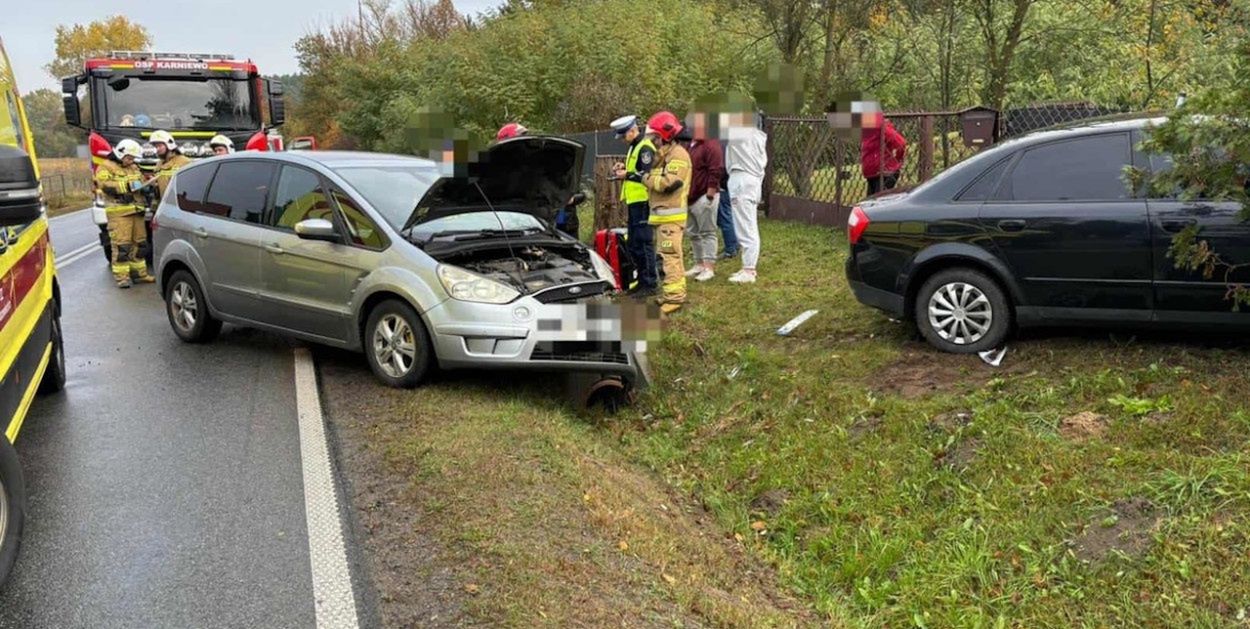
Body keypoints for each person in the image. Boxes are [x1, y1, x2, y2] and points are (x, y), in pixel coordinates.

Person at [640, 111, 692, 314]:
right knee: (666, 256)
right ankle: (670, 293)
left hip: (672, 217)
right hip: (664, 217)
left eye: (654, 137)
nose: (652, 141)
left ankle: (675, 298)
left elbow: (670, 183)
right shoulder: (667, 154)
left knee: (671, 257)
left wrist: (646, 178)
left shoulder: (678, 155)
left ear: (664, 135)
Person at [496, 121, 584, 238]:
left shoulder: (541, 165)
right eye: (521, 138)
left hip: (562, 218)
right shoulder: (502, 173)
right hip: (525, 225)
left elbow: (582, 193)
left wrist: (571, 199)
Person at [95, 139, 155, 288]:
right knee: (122, 246)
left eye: (133, 158)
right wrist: (127, 187)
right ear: (121, 153)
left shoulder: (134, 167)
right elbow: (105, 185)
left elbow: (139, 181)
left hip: (137, 211)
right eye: (129, 158)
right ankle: (122, 278)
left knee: (140, 245)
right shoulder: (105, 167)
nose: (131, 161)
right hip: (120, 213)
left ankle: (139, 275)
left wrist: (146, 185)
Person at [610, 114, 659, 297]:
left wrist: (626, 175)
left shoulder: (645, 147)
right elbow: (635, 170)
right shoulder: (634, 147)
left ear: (633, 130)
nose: (622, 139)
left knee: (644, 243)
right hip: (634, 202)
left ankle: (650, 283)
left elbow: (646, 176)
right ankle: (641, 281)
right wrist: (623, 168)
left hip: (643, 202)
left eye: (624, 135)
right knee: (634, 243)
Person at [723, 107, 767, 284]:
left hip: (742, 180)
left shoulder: (741, 136)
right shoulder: (756, 137)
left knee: (746, 226)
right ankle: (747, 266)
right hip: (750, 181)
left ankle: (749, 269)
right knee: (747, 224)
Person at [678, 114, 724, 282]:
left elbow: (716, 170)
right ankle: (699, 264)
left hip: (704, 196)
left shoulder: (711, 145)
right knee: (693, 233)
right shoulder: (691, 144)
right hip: (690, 196)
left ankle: (709, 267)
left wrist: (710, 195)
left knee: (708, 232)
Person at [861, 112, 907, 196]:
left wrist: (897, 159)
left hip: (884, 173)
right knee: (870, 203)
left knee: (878, 202)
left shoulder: (881, 127)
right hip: (872, 173)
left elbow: (901, 143)